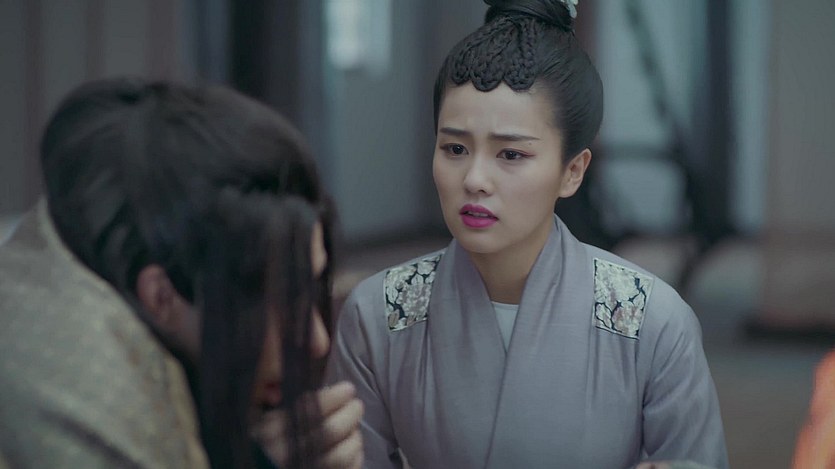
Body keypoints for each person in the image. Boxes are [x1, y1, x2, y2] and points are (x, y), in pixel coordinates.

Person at [324, 0, 728, 468]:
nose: (475, 179)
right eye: (454, 148)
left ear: (572, 171)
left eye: (511, 155)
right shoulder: (377, 314)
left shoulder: (654, 321)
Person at [0, 78, 363, 469]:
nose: (318, 340)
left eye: (310, 289)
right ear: (161, 296)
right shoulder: (96, 402)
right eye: (278, 303)